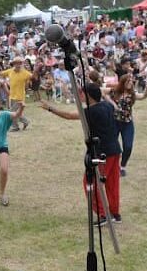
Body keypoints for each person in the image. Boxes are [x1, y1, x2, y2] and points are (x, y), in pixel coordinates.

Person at [41, 83, 122, 224]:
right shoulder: (107, 106)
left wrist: (50, 108)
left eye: (82, 93)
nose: (80, 96)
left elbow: (69, 115)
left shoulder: (91, 111)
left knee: (90, 183)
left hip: (102, 153)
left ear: (88, 95)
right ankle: (114, 213)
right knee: (112, 183)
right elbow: (110, 102)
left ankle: (103, 215)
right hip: (115, 149)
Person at [106, 74, 146, 176]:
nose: (130, 83)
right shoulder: (116, 91)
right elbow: (104, 94)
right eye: (128, 81)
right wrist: (113, 104)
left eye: (131, 81)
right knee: (112, 145)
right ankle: (111, 165)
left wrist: (146, 91)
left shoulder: (132, 94)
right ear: (123, 82)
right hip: (115, 122)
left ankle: (123, 166)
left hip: (127, 123)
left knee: (128, 146)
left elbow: (142, 97)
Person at [0, 56, 32, 131]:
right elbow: (1, 73)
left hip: (20, 97)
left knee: (12, 112)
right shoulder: (10, 71)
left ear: (21, 64)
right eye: (16, 63)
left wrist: (36, 71)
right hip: (12, 96)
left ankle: (15, 127)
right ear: (14, 64)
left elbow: (32, 76)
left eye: (19, 63)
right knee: (16, 112)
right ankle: (25, 121)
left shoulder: (25, 72)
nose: (17, 65)